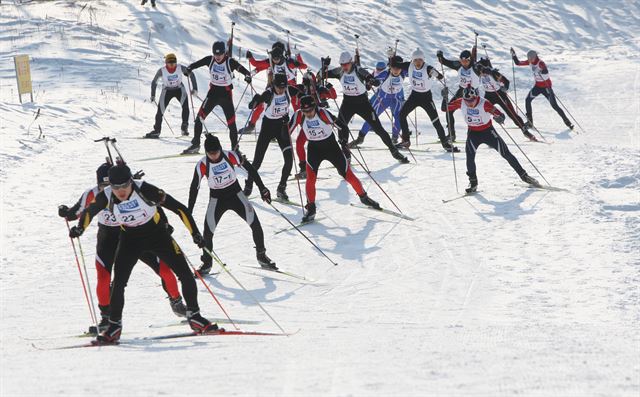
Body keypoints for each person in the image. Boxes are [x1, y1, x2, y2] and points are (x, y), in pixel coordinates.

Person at [69, 164, 216, 343]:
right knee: (118, 283)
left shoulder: (146, 189)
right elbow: (89, 212)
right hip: (130, 238)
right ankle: (114, 326)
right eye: (116, 187)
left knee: (185, 273)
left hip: (157, 235)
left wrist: (195, 233)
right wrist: (79, 229)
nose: (121, 191)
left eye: (124, 186)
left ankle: (194, 316)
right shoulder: (106, 195)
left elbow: (179, 208)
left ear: (131, 181)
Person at [188, 134, 276, 275]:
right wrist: (189, 211)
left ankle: (261, 256)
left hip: (236, 194)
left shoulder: (230, 155)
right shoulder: (202, 164)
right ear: (206, 152)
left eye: (216, 153)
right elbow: (194, 188)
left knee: (255, 224)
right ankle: (206, 263)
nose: (214, 156)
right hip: (217, 199)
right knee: (207, 232)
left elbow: (251, 170)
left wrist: (262, 188)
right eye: (210, 154)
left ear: (220, 149)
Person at [288, 96, 381, 222]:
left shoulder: (323, 113)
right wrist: (283, 132)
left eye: (310, 110)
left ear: (314, 107)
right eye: (305, 111)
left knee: (348, 175)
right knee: (310, 178)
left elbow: (342, 126)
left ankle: (363, 197)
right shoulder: (299, 115)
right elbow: (287, 130)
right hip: (314, 149)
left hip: (331, 147)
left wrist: (343, 141)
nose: (308, 114)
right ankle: (311, 208)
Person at [447, 86, 541, 193]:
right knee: (469, 157)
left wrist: (499, 118)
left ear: (476, 97)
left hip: (488, 132)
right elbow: (445, 108)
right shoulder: (461, 102)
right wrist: (446, 98)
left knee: (506, 154)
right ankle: (473, 182)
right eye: (467, 101)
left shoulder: (484, 103)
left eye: (471, 100)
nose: (469, 103)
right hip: (473, 133)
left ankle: (524, 176)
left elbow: (500, 115)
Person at [321, 51, 409, 164]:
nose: (345, 67)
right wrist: (325, 67)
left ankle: (394, 151)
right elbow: (322, 76)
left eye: (346, 64)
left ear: (351, 62)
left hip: (363, 103)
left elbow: (371, 79)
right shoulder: (339, 71)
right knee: (341, 127)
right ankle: (346, 154)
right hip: (347, 103)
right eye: (342, 65)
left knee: (378, 128)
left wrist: (372, 81)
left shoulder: (358, 70)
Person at [182, 41, 252, 154]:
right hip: (213, 93)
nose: (218, 57)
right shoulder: (210, 60)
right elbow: (196, 64)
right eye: (216, 54)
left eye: (220, 54)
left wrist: (247, 76)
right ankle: (195, 144)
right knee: (199, 119)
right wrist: (189, 69)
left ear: (224, 53)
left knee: (231, 124)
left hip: (226, 95)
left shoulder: (230, 62)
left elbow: (244, 70)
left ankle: (235, 149)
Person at [243, 73, 302, 201]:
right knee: (257, 161)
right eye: (279, 87)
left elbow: (300, 94)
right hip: (268, 127)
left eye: (283, 87)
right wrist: (254, 101)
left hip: (282, 127)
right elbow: (254, 104)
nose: (281, 90)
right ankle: (248, 185)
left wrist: (305, 98)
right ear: (274, 85)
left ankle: (281, 188)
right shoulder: (269, 93)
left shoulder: (288, 90)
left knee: (289, 160)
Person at [395, 48, 457, 152]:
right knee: (402, 115)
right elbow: (395, 64)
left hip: (426, 98)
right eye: (415, 60)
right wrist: (391, 56)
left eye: (420, 60)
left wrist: (436, 74)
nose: (417, 62)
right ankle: (406, 141)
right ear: (412, 60)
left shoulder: (428, 68)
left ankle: (445, 144)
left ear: (423, 60)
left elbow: (440, 77)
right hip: (414, 96)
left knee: (435, 121)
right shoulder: (409, 65)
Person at [241, 42, 307, 134]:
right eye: (274, 54)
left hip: (290, 87)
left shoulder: (289, 62)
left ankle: (306, 127)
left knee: (297, 107)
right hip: (274, 87)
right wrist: (249, 74)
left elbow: (304, 66)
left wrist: (298, 61)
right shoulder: (271, 62)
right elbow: (257, 67)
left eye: (278, 53)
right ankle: (251, 125)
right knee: (262, 104)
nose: (275, 58)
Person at [350, 55, 406, 146]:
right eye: (394, 68)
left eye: (398, 68)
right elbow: (374, 81)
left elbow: (413, 69)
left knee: (399, 118)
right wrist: (370, 83)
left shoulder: (404, 73)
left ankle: (394, 138)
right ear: (390, 67)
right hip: (382, 99)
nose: (396, 70)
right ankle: (360, 138)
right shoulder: (385, 74)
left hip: (395, 99)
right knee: (372, 118)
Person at [511, 48, 573, 129]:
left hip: (546, 87)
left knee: (554, 106)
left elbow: (546, 72)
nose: (530, 60)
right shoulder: (530, 62)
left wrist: (542, 71)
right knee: (527, 100)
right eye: (529, 58)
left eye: (531, 58)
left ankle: (567, 122)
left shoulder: (540, 63)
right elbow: (518, 63)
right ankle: (530, 122)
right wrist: (514, 55)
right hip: (537, 87)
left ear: (535, 57)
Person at [476, 57, 536, 141]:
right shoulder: (478, 72)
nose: (482, 74)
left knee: (512, 114)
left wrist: (505, 88)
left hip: (499, 94)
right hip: (488, 95)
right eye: (480, 72)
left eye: (483, 72)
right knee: (482, 113)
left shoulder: (493, 73)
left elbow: (506, 82)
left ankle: (526, 132)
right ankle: (487, 135)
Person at [292, 70, 337, 180]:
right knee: (299, 143)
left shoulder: (319, 89)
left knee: (331, 140)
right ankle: (303, 168)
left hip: (321, 121)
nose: (308, 86)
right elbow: (290, 89)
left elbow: (333, 96)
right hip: (307, 123)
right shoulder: (301, 88)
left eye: (310, 83)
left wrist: (329, 87)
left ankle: (343, 156)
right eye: (305, 82)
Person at [147, 53, 197, 138]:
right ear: (166, 63)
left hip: (179, 89)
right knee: (160, 111)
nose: (172, 65)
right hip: (167, 90)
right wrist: (153, 95)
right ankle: (157, 131)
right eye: (169, 63)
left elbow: (191, 74)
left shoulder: (180, 67)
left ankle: (184, 128)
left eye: (173, 63)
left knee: (185, 107)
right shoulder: (161, 70)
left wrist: (195, 88)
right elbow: (154, 82)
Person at [437, 47, 482, 141]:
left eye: (467, 61)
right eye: (462, 61)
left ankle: (481, 134)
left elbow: (484, 69)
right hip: (462, 91)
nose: (464, 63)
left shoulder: (475, 66)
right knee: (449, 110)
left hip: (473, 93)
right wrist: (440, 56)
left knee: (475, 113)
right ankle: (451, 134)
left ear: (470, 60)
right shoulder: (458, 65)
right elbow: (444, 61)